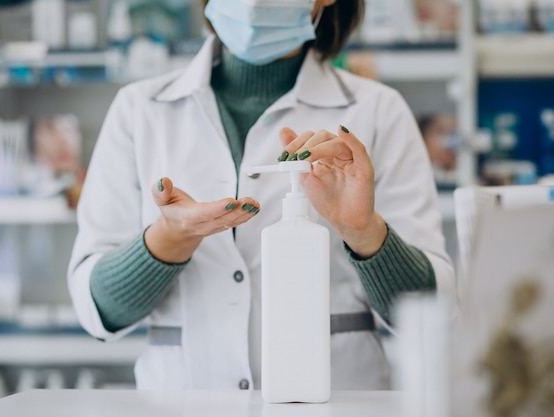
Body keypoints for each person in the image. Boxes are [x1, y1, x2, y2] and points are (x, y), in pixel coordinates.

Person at [68, 0, 455, 391]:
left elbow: (429, 312)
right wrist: (169, 240)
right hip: (184, 402)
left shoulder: (377, 112)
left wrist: (364, 231)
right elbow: (97, 310)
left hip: (338, 403)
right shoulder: (140, 110)